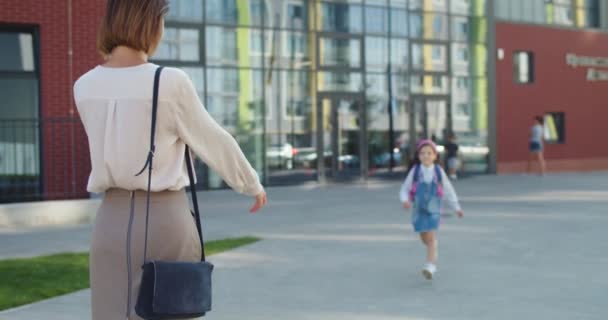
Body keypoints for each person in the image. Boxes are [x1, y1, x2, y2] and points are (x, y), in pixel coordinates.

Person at [73, 1, 267, 319]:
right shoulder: (170, 82)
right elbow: (213, 140)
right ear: (150, 23)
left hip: (110, 221)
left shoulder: (84, 86)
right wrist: (251, 184)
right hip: (165, 219)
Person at [399, 139, 464, 280]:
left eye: (429, 153)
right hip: (419, 209)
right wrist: (405, 200)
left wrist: (456, 207)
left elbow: (448, 190)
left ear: (435, 156)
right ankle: (432, 248)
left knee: (431, 237)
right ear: (418, 156)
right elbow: (405, 188)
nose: (426, 156)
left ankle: (430, 265)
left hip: (434, 209)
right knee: (425, 238)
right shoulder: (415, 171)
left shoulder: (438, 171)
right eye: (423, 153)